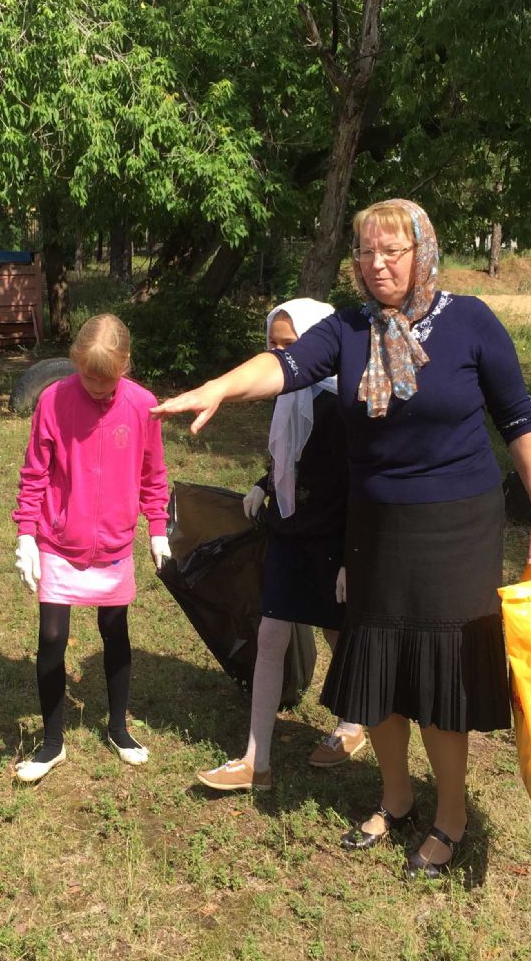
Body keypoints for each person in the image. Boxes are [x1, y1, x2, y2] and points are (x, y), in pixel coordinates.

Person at [154, 199, 531, 878]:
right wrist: (219, 388)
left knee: (439, 675)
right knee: (377, 666)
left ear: (422, 252)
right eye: (366, 252)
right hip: (373, 524)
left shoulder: (470, 322)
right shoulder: (348, 329)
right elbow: (283, 367)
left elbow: (520, 419)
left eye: (391, 251)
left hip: (455, 527)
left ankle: (451, 816)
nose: (377, 264)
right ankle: (395, 797)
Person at [197, 298, 361, 794]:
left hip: (332, 535)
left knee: (337, 633)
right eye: (273, 343)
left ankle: (353, 722)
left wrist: (352, 556)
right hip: (288, 527)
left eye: (290, 345)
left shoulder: (345, 402)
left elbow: (361, 482)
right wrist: (263, 485)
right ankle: (256, 761)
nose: (279, 354)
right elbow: (285, 455)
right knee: (271, 636)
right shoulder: (286, 394)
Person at [11, 314, 172, 783]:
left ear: (126, 365)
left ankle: (119, 728)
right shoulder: (53, 400)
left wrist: (157, 527)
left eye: (108, 379)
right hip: (59, 540)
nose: (99, 388)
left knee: (114, 630)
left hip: (115, 542)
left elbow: (153, 473)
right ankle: (52, 742)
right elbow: (35, 472)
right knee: (52, 637)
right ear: (75, 362)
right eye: (89, 377)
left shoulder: (143, 405)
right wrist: (26, 533)